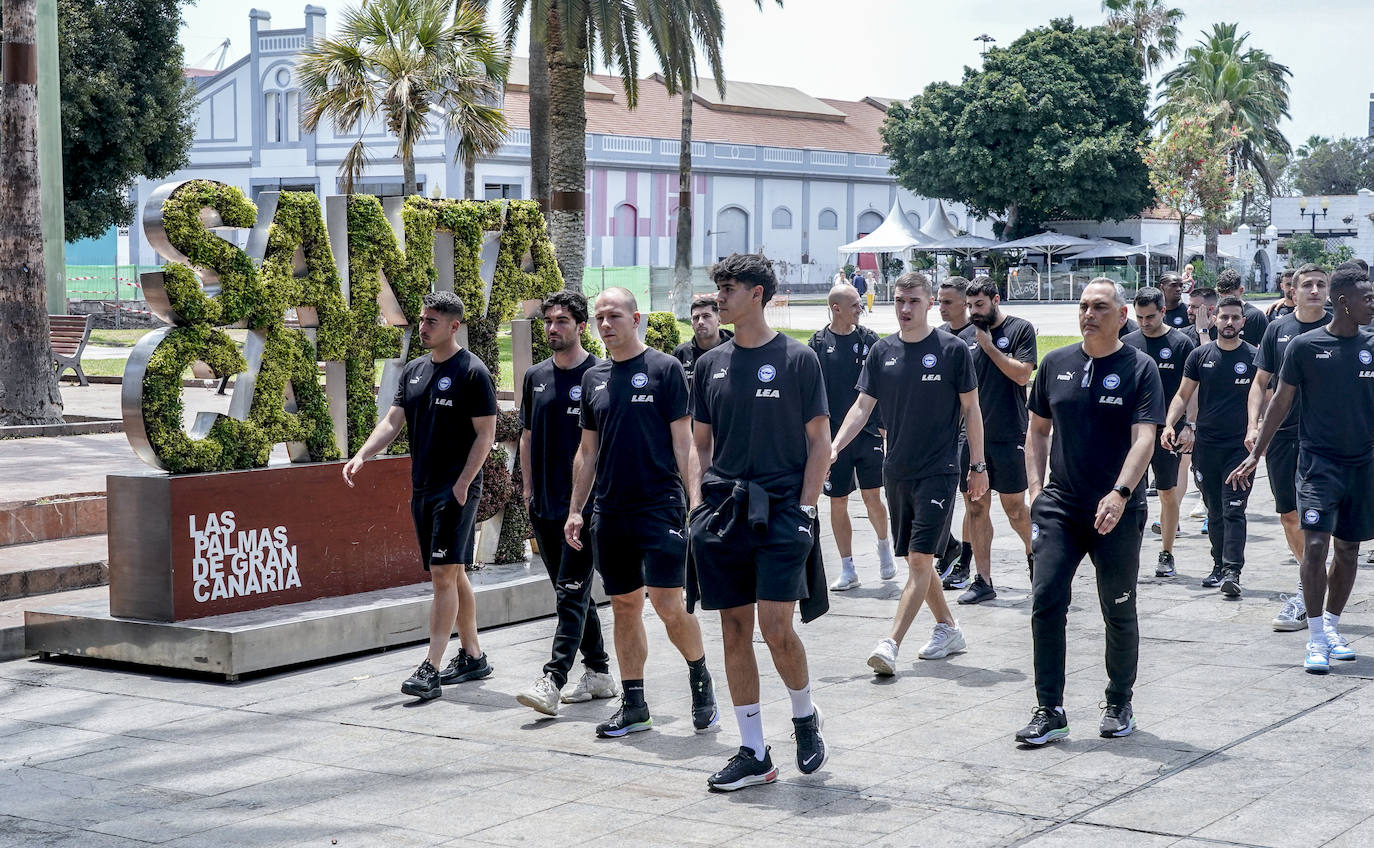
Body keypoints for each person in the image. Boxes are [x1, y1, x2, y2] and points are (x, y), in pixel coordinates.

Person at [688, 253, 831, 791]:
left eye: (729, 288)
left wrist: (807, 509)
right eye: (718, 287)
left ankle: (804, 715)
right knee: (732, 629)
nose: (719, 297)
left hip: (781, 512)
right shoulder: (709, 364)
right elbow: (699, 446)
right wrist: (698, 504)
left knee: (776, 627)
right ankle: (753, 751)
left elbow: (820, 440)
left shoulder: (797, 359)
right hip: (722, 513)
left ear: (758, 295)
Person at [565, 287, 718, 738]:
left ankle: (700, 674)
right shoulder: (593, 378)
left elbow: (684, 443)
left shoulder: (665, 369)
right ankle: (634, 705)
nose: (605, 325)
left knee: (669, 604)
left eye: (614, 316)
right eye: (599, 318)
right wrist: (576, 509)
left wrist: (695, 504)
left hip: (660, 507)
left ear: (636, 319)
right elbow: (586, 451)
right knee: (625, 606)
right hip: (610, 513)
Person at [1017, 279, 1163, 745]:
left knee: (1117, 607)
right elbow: (1038, 431)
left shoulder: (1139, 368)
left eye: (1100, 306)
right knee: (1046, 601)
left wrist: (1120, 493)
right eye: (1083, 306)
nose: (1089, 313)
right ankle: (1049, 709)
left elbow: (1145, 438)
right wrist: (1037, 490)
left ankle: (1120, 700)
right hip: (1061, 507)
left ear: (1121, 315)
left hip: (1117, 508)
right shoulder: (1056, 364)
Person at [831, 272, 988, 675]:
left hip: (939, 468)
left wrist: (978, 466)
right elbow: (862, 407)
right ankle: (948, 628)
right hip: (895, 469)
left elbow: (972, 410)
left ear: (930, 302)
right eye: (899, 300)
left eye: (913, 301)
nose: (905, 309)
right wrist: (834, 447)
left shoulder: (953, 350)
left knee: (920, 558)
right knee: (916, 560)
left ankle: (890, 643)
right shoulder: (882, 351)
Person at [342, 291, 496, 700]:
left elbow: (486, 434)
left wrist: (463, 484)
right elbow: (393, 421)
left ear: (453, 326)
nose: (423, 327)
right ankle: (474, 656)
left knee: (442, 574)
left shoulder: (472, 372)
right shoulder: (413, 370)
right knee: (454, 570)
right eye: (423, 319)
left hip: (457, 488)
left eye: (431, 321)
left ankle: (431, 666)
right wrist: (363, 454)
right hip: (423, 486)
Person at [1228, 266, 1374, 674]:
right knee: (1315, 546)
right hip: (1317, 463)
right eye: (1367, 297)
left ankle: (1331, 627)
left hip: (1363, 464)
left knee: (1348, 549)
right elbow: (1280, 402)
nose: (1373, 303)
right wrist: (1256, 452)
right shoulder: (1304, 347)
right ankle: (1313, 638)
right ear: (1344, 302)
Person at [514, 291, 615, 715]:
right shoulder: (535, 376)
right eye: (549, 321)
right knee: (569, 591)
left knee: (570, 592)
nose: (553, 328)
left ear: (580, 326)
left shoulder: (600, 375)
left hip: (586, 507)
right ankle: (599, 672)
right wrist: (527, 489)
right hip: (544, 505)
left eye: (562, 321)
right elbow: (527, 435)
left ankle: (552, 679)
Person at [1245, 264, 1331, 631]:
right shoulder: (1278, 330)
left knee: (1324, 517)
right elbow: (1261, 381)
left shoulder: (1343, 329)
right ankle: (1308, 580)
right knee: (1288, 514)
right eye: (1306, 284)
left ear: (1329, 291)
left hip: (1328, 438)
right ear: (1292, 291)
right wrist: (1254, 424)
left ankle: (1313, 588)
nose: (1314, 290)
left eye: (1320, 284)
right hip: (1282, 435)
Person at [1161, 296, 1255, 595]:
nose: (1229, 322)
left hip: (1239, 448)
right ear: (1214, 319)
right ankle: (1218, 565)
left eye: (1234, 318)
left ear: (1243, 322)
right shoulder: (1200, 355)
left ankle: (1232, 571)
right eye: (1224, 317)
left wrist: (1258, 430)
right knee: (1214, 510)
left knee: (1234, 509)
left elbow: (1265, 399)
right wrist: (1169, 424)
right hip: (1206, 446)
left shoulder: (1255, 356)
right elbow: (1182, 395)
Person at [956, 277, 1037, 604]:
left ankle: (1037, 560)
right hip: (972, 439)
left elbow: (1022, 375)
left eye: (980, 305)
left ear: (996, 299)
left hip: (1009, 434)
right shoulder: (962, 338)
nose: (974, 312)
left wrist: (989, 347)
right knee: (976, 507)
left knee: (1015, 508)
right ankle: (983, 579)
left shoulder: (1020, 330)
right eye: (970, 306)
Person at [808, 283, 893, 590]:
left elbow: (882, 387)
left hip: (867, 431)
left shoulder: (869, 339)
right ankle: (848, 568)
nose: (860, 309)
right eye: (855, 304)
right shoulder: (817, 343)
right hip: (832, 439)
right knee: (837, 500)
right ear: (837, 308)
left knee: (873, 496)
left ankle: (884, 546)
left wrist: (885, 428)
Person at [1122, 287, 1196, 578]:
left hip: (1169, 431)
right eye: (1139, 317)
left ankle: (1167, 553)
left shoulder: (1180, 343)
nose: (1144, 322)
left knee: (1166, 492)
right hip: (1133, 433)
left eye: (1150, 316)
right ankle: (1128, 552)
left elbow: (1191, 390)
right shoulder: (1127, 342)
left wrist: (1189, 424)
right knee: (1127, 492)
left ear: (1164, 311)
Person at [934, 277, 975, 587]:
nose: (941, 307)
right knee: (937, 498)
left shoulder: (979, 335)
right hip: (939, 428)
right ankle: (948, 547)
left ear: (965, 302)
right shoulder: (937, 337)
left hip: (968, 428)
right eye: (939, 300)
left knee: (968, 497)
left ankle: (964, 560)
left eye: (948, 301)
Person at [672, 294, 733, 391]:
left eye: (706, 316)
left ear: (719, 320)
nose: (700, 322)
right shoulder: (681, 353)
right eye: (696, 318)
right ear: (691, 323)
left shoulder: (734, 349)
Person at [1214, 269, 1268, 345]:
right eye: (1222, 298)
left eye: (1232, 297)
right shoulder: (1215, 314)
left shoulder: (1256, 316)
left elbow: (1267, 348)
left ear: (1241, 290)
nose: (1228, 303)